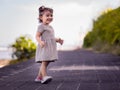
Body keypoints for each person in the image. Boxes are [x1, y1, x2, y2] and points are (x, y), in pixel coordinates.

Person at [35, 6, 64, 84]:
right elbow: (37, 36)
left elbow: (51, 38)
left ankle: (39, 77)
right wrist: (40, 42)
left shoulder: (50, 27)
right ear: (41, 17)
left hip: (50, 48)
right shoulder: (41, 26)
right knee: (44, 63)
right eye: (47, 15)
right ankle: (44, 77)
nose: (50, 17)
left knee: (46, 62)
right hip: (44, 47)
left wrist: (58, 40)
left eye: (51, 15)